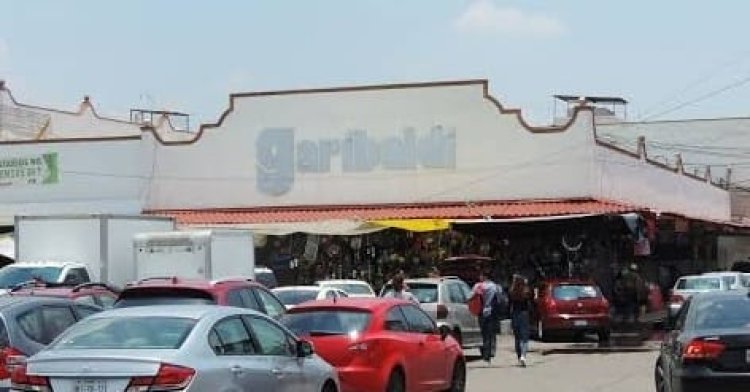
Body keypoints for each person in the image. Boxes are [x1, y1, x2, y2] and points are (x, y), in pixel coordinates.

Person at [469, 269, 502, 363]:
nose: (479, 277)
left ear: (484, 276)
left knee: (484, 333)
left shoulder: (478, 286)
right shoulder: (496, 287)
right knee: (492, 332)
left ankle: (485, 353)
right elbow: (499, 300)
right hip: (493, 312)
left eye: (480, 275)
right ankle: (491, 351)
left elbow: (470, 296)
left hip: (482, 312)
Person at [509, 274, 532, 367]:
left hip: (515, 314)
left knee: (517, 337)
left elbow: (509, 302)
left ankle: (519, 357)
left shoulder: (512, 291)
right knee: (524, 337)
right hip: (524, 314)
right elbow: (530, 298)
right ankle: (523, 355)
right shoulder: (525, 290)